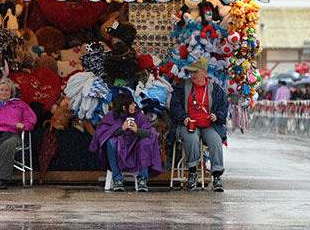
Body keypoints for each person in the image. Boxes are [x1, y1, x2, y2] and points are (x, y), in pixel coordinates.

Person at [169, 58, 229, 192]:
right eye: (191, 72)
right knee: (191, 139)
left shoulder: (215, 88)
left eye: (196, 72)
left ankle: (217, 176)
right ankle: (192, 172)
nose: (193, 75)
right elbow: (175, 106)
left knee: (215, 141)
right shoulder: (183, 86)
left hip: (209, 125)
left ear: (205, 72)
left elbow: (224, 107)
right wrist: (183, 118)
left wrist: (217, 115)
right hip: (189, 123)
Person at [89, 93, 163, 192]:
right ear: (124, 107)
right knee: (110, 142)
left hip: (135, 151)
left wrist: (137, 130)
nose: (135, 105)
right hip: (119, 151)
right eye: (132, 104)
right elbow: (102, 134)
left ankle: (142, 179)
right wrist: (122, 129)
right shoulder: (111, 117)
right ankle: (117, 178)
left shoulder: (139, 116)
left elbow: (151, 134)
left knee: (145, 142)